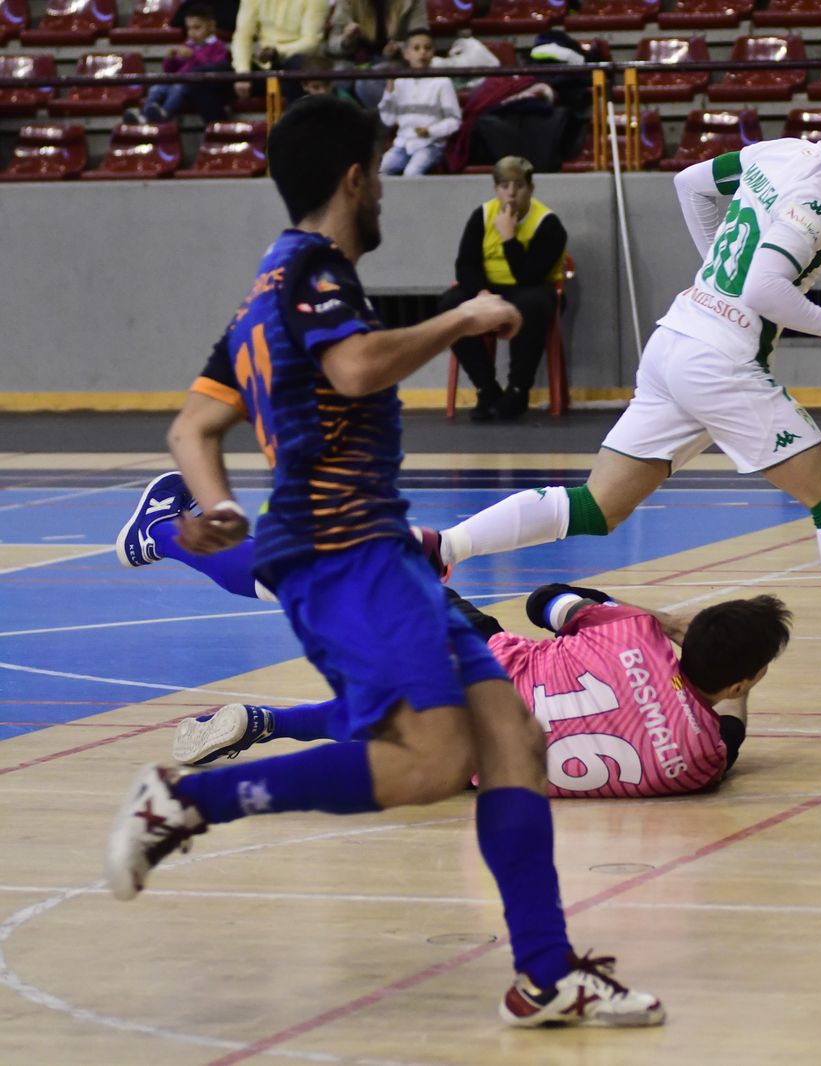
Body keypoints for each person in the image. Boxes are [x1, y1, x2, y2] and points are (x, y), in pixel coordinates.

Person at [103, 95, 663, 1028]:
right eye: (378, 177)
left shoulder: (261, 293)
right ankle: (185, 803)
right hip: (342, 554)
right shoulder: (316, 273)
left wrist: (219, 507)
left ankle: (545, 973)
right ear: (358, 178)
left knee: (514, 741)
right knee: (433, 763)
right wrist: (464, 317)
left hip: (378, 551)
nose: (384, 200)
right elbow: (357, 369)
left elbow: (192, 426)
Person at [425, 82, 821, 703]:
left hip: (678, 337)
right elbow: (766, 290)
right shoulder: (819, 198)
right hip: (720, 360)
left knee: (598, 507)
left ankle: (444, 545)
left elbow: (689, 182)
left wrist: (717, 270)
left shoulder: (782, 152)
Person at [171, 581, 789, 800]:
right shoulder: (703, 760)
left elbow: (544, 599)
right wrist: (733, 683)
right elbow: (728, 724)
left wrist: (664, 623)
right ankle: (266, 724)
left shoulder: (635, 636)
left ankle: (188, 542)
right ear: (742, 680)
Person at [437, 156, 568, 420]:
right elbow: (465, 265)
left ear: (530, 189)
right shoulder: (482, 216)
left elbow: (529, 276)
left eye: (518, 185)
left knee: (532, 304)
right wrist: (482, 294)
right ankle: (487, 389)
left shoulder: (548, 224)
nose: (510, 193)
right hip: (491, 291)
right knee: (449, 303)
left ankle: (518, 390)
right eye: (504, 186)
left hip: (532, 290)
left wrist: (509, 237)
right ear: (496, 189)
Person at [127, 3, 230, 125]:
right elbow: (170, 70)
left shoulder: (218, 46)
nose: (192, 33)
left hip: (194, 86)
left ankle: (165, 113)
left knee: (178, 88)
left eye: (197, 28)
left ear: (211, 26)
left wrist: (193, 56)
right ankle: (144, 116)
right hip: (178, 79)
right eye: (189, 28)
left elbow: (215, 68)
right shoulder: (188, 44)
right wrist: (170, 59)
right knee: (156, 89)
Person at [377, 30, 459, 176]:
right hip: (403, 143)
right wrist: (389, 92)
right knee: (381, 170)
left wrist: (430, 131)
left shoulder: (442, 82)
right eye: (416, 48)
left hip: (431, 144)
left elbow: (454, 120)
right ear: (406, 53)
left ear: (433, 52)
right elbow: (388, 120)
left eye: (427, 48)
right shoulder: (400, 81)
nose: (422, 53)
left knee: (412, 172)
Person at [327, 0, 426, 108]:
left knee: (366, 84)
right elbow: (333, 44)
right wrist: (346, 40)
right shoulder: (348, 2)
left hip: (393, 60)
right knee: (336, 78)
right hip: (353, 60)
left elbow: (421, 39)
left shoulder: (411, 2)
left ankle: (391, 118)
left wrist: (399, 47)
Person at [231, 0, 330, 104]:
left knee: (298, 65)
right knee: (217, 73)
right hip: (262, 63)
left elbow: (311, 42)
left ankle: (296, 118)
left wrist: (277, 52)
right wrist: (242, 74)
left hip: (293, 60)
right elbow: (242, 37)